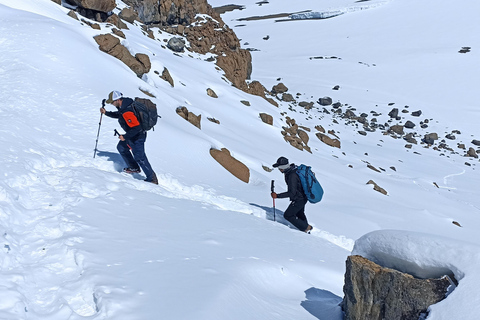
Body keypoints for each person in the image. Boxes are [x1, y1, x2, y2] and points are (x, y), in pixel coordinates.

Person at [100, 90, 158, 185]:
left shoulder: (127, 110)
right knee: (121, 147)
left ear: (118, 100)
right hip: (133, 135)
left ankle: (152, 179)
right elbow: (119, 115)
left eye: (112, 102)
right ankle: (134, 167)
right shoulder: (125, 105)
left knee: (140, 157)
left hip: (138, 136)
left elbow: (137, 128)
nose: (112, 104)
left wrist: (125, 136)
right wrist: (106, 113)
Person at [271, 156, 312, 233]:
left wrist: (277, 196)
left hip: (299, 199)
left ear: (283, 167)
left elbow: (292, 192)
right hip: (303, 197)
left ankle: (307, 227)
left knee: (288, 215)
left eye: (279, 167)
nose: (279, 169)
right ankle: (306, 230)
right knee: (299, 213)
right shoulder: (292, 170)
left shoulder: (291, 175)